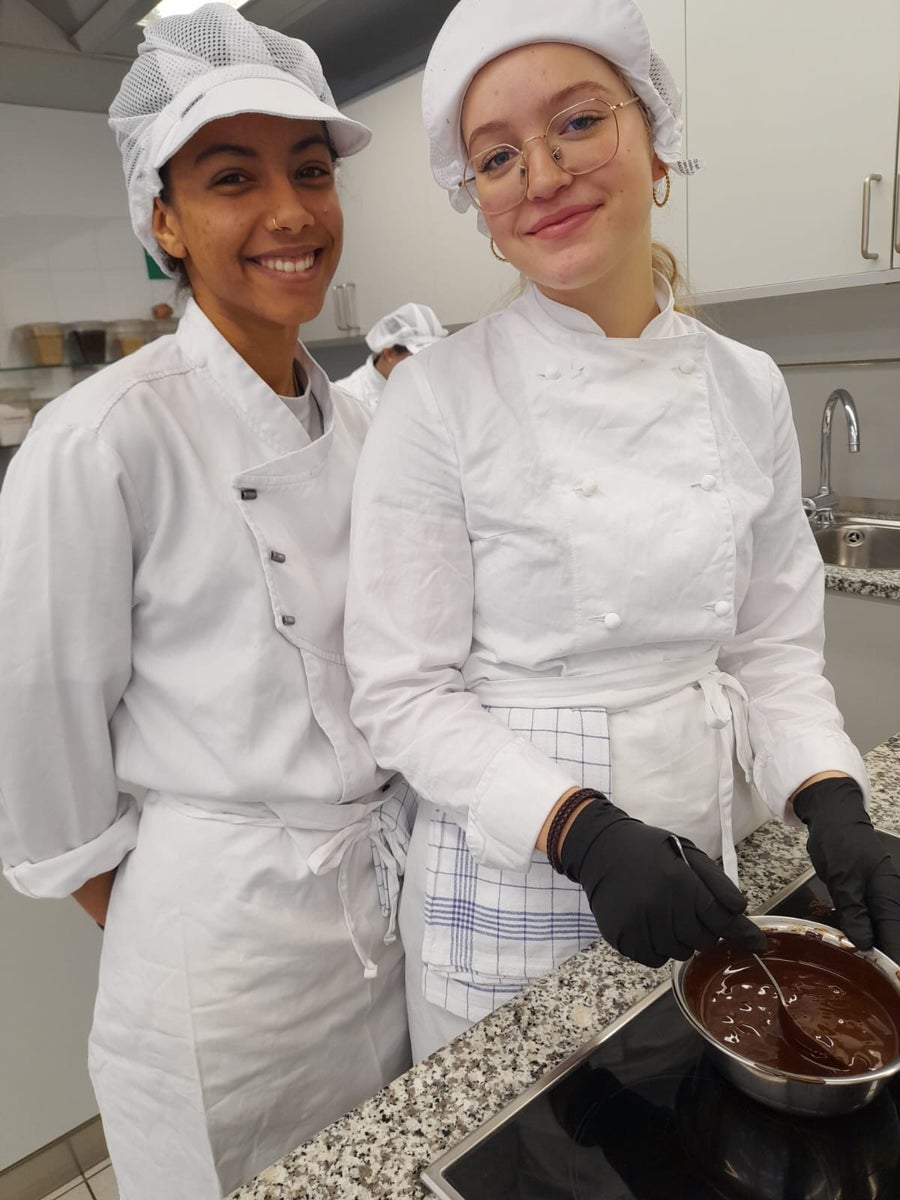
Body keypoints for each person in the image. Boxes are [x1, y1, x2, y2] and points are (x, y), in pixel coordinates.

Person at [344, 0, 900, 1061]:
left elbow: (771, 650)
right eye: (497, 156)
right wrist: (580, 831)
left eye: (577, 123)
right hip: (517, 884)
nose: (542, 175)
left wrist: (832, 800)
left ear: (657, 142)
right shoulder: (438, 398)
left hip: (706, 855)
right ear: (479, 203)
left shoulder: (745, 383)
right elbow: (401, 691)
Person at [0, 6, 413, 1196]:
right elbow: (40, 756)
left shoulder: (356, 422)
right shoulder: (102, 438)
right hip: (222, 978)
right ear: (164, 219)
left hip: (387, 926)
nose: (290, 212)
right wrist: (189, 917)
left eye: (311, 171)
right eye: (234, 178)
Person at [336, 302, 448, 412]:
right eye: (418, 360)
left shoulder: (430, 388)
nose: (425, 369)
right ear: (389, 353)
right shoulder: (346, 398)